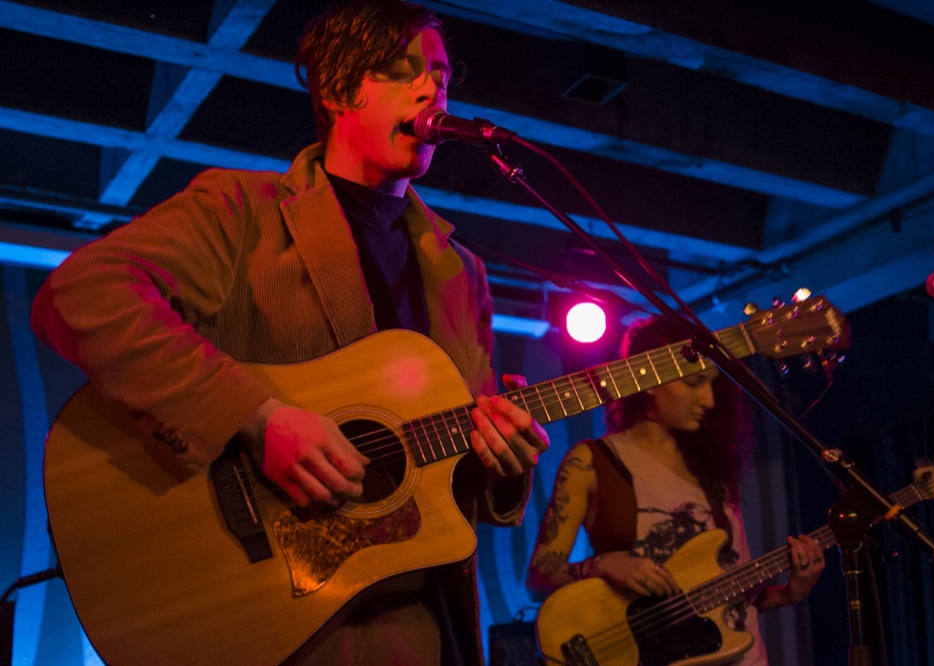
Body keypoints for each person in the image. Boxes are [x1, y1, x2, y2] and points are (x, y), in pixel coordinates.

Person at [31, 1, 548, 664]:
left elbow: (443, 468)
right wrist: (256, 416)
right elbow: (82, 293)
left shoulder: (462, 273)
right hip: (297, 635)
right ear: (336, 91)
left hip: (429, 630)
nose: (432, 90)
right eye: (401, 70)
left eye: (441, 77)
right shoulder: (242, 213)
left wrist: (502, 460)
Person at [526, 315, 823, 665]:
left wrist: (789, 594)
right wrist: (602, 565)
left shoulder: (712, 468)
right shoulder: (591, 462)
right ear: (651, 381)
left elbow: (727, 591)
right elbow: (540, 575)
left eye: (711, 384)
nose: (708, 400)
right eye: (694, 383)